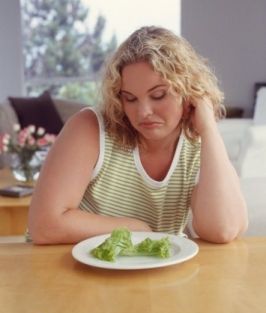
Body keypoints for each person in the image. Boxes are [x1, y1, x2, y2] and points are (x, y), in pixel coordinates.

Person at [28, 26, 248, 244]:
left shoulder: (199, 144)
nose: (143, 112)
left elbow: (223, 229)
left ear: (189, 92)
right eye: (130, 98)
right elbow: (44, 226)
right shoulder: (90, 128)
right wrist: (136, 228)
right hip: (65, 269)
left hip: (143, 274)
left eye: (159, 95)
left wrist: (209, 128)